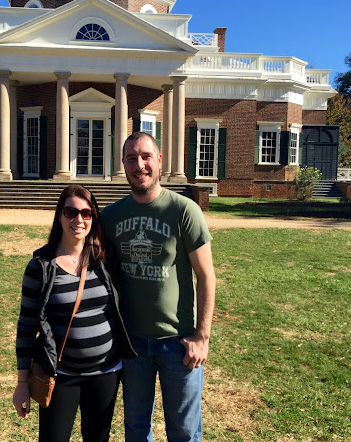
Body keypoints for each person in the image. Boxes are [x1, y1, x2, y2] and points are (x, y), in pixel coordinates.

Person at [100, 132, 216, 442]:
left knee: (184, 433)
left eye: (146, 156)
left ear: (160, 160)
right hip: (132, 343)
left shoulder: (184, 211)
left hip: (178, 343)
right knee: (136, 431)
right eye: (131, 158)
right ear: (123, 164)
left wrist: (202, 336)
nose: (139, 165)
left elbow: (206, 275)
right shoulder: (110, 217)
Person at [12, 185, 135, 442]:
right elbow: (26, 327)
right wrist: (22, 384)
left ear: (93, 218)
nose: (78, 219)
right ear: (59, 216)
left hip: (106, 373)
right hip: (61, 376)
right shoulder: (41, 267)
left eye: (86, 213)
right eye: (70, 212)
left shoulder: (106, 260)